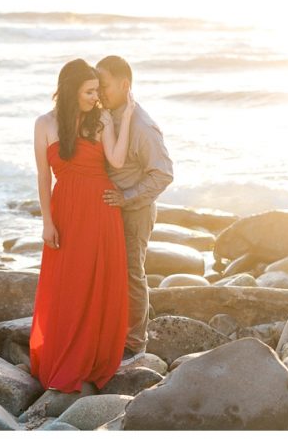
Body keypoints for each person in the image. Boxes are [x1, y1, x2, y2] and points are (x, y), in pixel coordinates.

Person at [29, 58, 136, 392]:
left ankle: (93, 358)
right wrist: (47, 222)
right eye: (89, 91)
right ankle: (64, 356)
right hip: (65, 211)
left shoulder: (101, 118)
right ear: (71, 90)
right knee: (68, 284)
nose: (96, 97)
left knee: (97, 282)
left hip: (100, 210)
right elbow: (43, 178)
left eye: (97, 90)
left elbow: (116, 160)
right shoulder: (44, 124)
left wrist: (128, 116)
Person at [96, 55, 174, 365]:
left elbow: (164, 173)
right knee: (111, 273)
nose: (100, 91)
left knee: (131, 273)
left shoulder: (142, 125)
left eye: (104, 85)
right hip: (114, 208)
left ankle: (135, 343)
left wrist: (127, 197)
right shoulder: (108, 114)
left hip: (135, 210)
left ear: (124, 84)